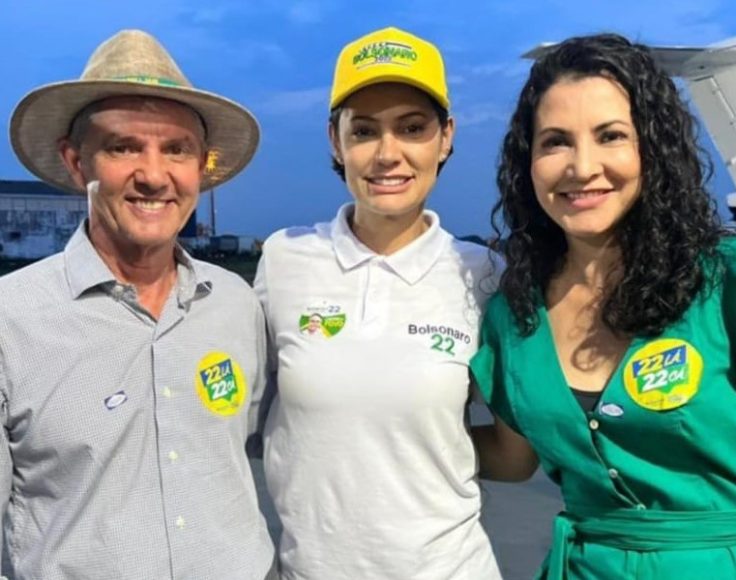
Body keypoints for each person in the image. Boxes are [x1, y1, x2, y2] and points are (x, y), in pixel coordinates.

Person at [470, 33, 736, 579]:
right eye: (555, 142)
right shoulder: (514, 317)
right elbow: (512, 460)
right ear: (527, 162)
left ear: (652, 148)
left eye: (610, 136)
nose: (582, 167)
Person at [0, 30, 275, 579]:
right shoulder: (12, 319)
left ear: (201, 168)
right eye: (123, 147)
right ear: (77, 163)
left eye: (177, 149)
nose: (152, 176)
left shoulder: (235, 302)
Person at [254, 26, 502, 580]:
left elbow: (516, 455)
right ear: (335, 141)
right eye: (364, 131)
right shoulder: (285, 259)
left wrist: (425, 446)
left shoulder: (484, 275)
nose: (388, 154)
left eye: (412, 128)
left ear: (445, 138)